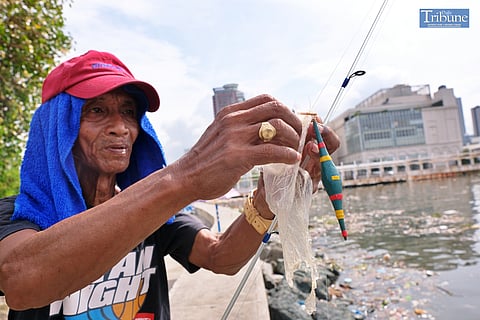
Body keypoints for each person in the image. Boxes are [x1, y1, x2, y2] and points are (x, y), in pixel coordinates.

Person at [0, 50, 340, 319]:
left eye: (130, 112)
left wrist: (269, 197)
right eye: (98, 111)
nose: (121, 127)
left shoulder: (152, 215)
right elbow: (21, 281)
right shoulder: (16, 216)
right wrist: (188, 174)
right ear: (58, 126)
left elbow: (221, 255)